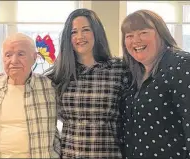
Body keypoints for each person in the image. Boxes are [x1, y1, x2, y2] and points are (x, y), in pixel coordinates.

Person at [45, 8, 129, 158]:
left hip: (109, 154)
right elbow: (27, 83)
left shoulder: (119, 69)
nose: (80, 36)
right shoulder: (58, 75)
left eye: (86, 30)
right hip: (71, 154)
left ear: (96, 33)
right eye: (73, 32)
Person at [119, 9, 190, 158]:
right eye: (129, 36)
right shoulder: (132, 75)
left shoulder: (183, 65)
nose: (136, 40)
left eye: (143, 32)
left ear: (161, 33)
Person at [0, 33, 58, 158]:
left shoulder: (49, 87)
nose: (14, 61)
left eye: (21, 54)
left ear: (34, 58)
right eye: (8, 55)